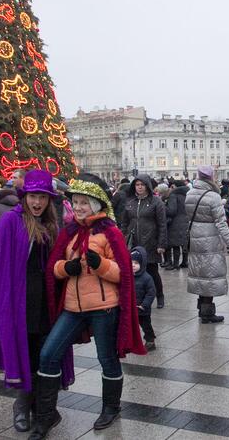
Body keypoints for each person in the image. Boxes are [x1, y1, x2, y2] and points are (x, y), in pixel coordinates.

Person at [36, 176, 145, 437]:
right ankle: (47, 415)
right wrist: (66, 268)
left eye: (84, 202)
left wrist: (101, 266)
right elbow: (54, 268)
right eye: (76, 202)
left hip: (104, 307)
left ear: (96, 205)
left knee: (107, 359)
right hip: (73, 308)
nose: (79, 207)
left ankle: (111, 407)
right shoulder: (70, 232)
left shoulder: (110, 232)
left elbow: (123, 274)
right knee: (48, 355)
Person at [0, 170, 69, 435]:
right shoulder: (10, 221)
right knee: (26, 353)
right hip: (20, 298)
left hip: (46, 300)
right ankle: (22, 405)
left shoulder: (53, 224)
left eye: (42, 197)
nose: (37, 202)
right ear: (25, 197)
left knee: (46, 354)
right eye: (33, 196)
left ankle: (42, 408)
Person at [186, 165, 229, 324]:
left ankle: (202, 309)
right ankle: (207, 313)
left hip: (195, 236)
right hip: (210, 240)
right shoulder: (213, 197)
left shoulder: (189, 194)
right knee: (210, 274)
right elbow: (221, 223)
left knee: (200, 273)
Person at [121, 174, 167, 308]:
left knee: (152, 271)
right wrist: (123, 238)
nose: (140, 187)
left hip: (151, 242)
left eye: (142, 185)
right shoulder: (130, 202)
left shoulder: (156, 202)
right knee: (133, 271)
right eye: (137, 185)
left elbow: (162, 224)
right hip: (133, 242)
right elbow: (124, 223)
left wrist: (161, 244)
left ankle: (159, 295)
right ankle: (137, 298)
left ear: (147, 186)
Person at [131, 246, 156, 350]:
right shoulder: (127, 276)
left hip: (142, 308)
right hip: (131, 308)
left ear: (142, 264)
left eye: (136, 263)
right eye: (131, 262)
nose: (133, 265)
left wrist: (144, 305)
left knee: (146, 325)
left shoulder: (147, 278)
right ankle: (132, 341)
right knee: (131, 327)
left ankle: (150, 340)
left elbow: (151, 293)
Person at [164, 180, 189, 270]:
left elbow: (172, 210)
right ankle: (185, 261)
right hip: (186, 220)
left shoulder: (173, 195)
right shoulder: (187, 194)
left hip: (175, 222)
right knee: (184, 243)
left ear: (175, 186)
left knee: (175, 244)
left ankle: (175, 264)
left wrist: (164, 206)